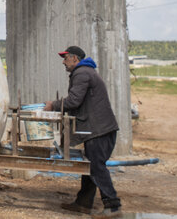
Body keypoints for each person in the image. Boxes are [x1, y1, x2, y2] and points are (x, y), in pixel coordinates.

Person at [45, 45, 121, 218]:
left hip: (98, 130)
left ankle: (113, 206)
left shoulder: (82, 73)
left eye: (66, 58)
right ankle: (83, 203)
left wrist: (53, 105)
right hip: (99, 129)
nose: (64, 62)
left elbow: (73, 101)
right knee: (91, 165)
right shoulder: (86, 72)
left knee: (96, 167)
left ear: (75, 59)